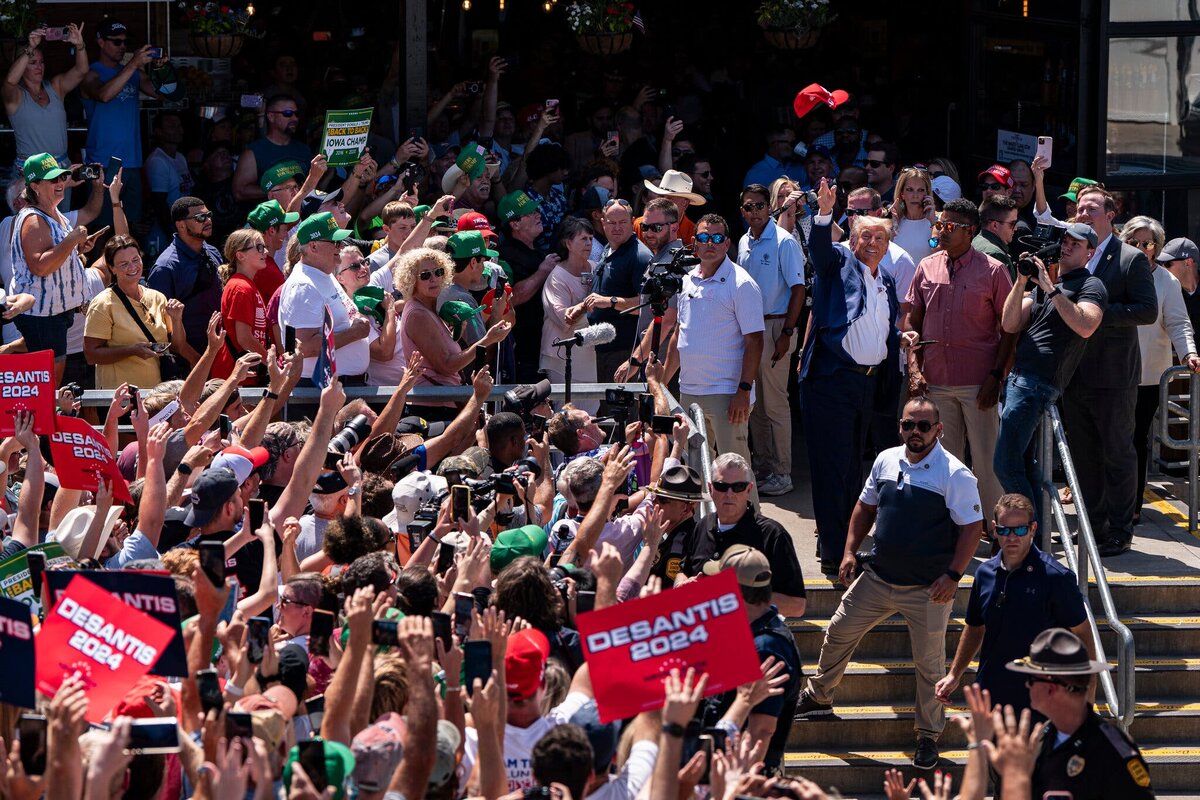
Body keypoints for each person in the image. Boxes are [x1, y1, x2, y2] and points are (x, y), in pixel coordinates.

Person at [795, 397, 983, 772]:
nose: (915, 432)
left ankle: (928, 736)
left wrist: (953, 576)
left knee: (930, 667)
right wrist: (850, 551)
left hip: (929, 589)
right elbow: (865, 507)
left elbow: (972, 528)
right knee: (837, 631)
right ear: (900, 426)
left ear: (938, 430)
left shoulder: (955, 473)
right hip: (878, 577)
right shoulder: (885, 460)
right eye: (908, 425)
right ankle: (819, 698)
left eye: (924, 426)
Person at [800, 179, 901, 575]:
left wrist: (900, 336)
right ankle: (832, 552)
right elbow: (820, 252)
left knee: (855, 470)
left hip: (868, 383)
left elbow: (880, 330)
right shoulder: (839, 264)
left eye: (880, 237)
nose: (873, 243)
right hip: (832, 380)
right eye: (866, 236)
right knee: (833, 469)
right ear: (854, 240)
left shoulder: (886, 281)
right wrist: (824, 215)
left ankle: (846, 546)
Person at [1060, 187, 1158, 557]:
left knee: (1117, 454)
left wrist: (1097, 315)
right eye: (1079, 208)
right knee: (1084, 456)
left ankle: (1119, 530)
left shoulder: (1130, 259)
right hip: (1074, 374)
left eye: (1091, 208)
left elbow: (1146, 311)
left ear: (1110, 215)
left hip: (1115, 377)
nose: (1082, 214)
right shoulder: (1070, 254)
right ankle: (1091, 526)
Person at [904, 198, 1014, 520]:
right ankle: (955, 526)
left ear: (972, 232)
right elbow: (913, 320)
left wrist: (997, 376)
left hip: (979, 383)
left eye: (951, 227)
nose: (942, 231)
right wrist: (913, 366)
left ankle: (996, 529)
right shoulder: (927, 266)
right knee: (946, 461)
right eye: (940, 225)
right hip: (936, 381)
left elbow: (1010, 329)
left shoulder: (993, 270)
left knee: (986, 460)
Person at [936, 492, 1091, 713]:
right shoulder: (984, 574)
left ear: (1033, 529)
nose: (1012, 537)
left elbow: (1083, 635)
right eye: (1004, 530)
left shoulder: (1056, 578)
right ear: (994, 529)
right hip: (992, 698)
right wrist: (954, 674)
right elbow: (974, 627)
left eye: (1019, 529)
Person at [995, 224, 1107, 508]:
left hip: (1035, 384)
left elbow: (1085, 326)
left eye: (1076, 244)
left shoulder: (1090, 285)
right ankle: (1038, 534)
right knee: (1024, 463)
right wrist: (1022, 281)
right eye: (1066, 241)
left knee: (1005, 465)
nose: (1067, 246)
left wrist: (1049, 288)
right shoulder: (1051, 284)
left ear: (1090, 253)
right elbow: (1009, 323)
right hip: (1019, 381)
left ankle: (1026, 532)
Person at [662, 215, 764, 493]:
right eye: (705, 238)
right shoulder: (687, 281)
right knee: (695, 473)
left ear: (727, 243)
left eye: (718, 238)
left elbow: (755, 341)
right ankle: (704, 530)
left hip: (727, 394)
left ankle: (749, 531)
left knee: (735, 471)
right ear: (694, 243)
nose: (711, 244)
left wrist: (743, 390)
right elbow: (679, 336)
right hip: (689, 392)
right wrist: (661, 384)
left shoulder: (742, 283)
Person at [1008, 627, 1155, 799]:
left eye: (1031, 679)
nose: (1027, 685)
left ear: (1051, 688)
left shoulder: (1111, 749)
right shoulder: (1042, 736)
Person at [701, 544, 803, 773]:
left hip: (737, 775)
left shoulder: (767, 649)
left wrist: (736, 786)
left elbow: (761, 732)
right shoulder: (752, 629)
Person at [1126, 221, 1200, 525]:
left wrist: (1189, 352)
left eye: (1149, 243)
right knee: (1106, 440)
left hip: (1146, 375)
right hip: (1108, 373)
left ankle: (1131, 507)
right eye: (1135, 241)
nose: (1143, 248)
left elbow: (1179, 323)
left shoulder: (1166, 281)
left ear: (1157, 246)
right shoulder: (1112, 272)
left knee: (1135, 439)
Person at [736, 184, 805, 497]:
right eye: (749, 207)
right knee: (755, 404)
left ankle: (782, 471)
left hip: (775, 326)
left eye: (760, 205)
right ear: (743, 211)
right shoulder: (742, 241)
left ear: (770, 207)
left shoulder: (784, 241)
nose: (755, 212)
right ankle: (764, 467)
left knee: (775, 403)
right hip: (749, 329)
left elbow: (798, 290)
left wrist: (788, 333)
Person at [678, 453, 806, 616]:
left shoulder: (772, 535)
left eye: (738, 487)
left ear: (749, 489)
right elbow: (683, 571)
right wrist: (681, 586)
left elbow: (797, 606)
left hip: (750, 637)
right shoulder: (702, 526)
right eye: (722, 486)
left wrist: (734, 599)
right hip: (703, 634)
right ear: (710, 489)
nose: (729, 494)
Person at [396, 247, 510, 420]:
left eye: (438, 272)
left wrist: (457, 332)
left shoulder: (429, 308)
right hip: (433, 407)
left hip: (442, 402)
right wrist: (487, 339)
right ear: (411, 280)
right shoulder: (418, 314)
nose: (434, 279)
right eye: (425, 275)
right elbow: (446, 366)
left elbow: (443, 356)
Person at [10, 153, 96, 381]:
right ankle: (44, 415)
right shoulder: (32, 218)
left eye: (61, 178)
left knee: (48, 364)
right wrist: (70, 241)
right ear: (36, 186)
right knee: (50, 376)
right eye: (52, 180)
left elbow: (56, 257)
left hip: (55, 311)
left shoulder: (53, 212)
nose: (60, 184)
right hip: (43, 314)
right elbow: (39, 267)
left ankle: (8, 351)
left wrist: (78, 248)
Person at [80, 19, 165, 228]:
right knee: (102, 227)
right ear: (100, 42)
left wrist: (161, 70)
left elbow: (164, 94)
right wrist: (132, 64)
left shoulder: (134, 74)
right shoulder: (91, 74)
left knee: (131, 227)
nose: (123, 47)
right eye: (116, 42)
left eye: (125, 42)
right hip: (101, 164)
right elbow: (104, 95)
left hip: (132, 163)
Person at [278, 212, 372, 385]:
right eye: (335, 242)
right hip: (317, 390)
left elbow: (346, 313)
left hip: (337, 386)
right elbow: (304, 346)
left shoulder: (324, 275)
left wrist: (357, 319)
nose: (341, 246)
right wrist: (355, 333)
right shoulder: (304, 286)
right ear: (313, 247)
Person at [84, 235, 186, 390]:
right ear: (112, 268)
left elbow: (177, 347)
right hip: (121, 398)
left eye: (135, 260)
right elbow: (91, 355)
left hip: (159, 395)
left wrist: (177, 320)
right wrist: (132, 350)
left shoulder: (158, 298)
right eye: (124, 264)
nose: (132, 267)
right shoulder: (103, 303)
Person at [3, 23, 88, 189]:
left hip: (61, 167)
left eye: (41, 62)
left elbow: (82, 70)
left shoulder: (55, 87)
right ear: (22, 65)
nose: (39, 66)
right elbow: (10, 81)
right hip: (32, 171)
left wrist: (80, 45)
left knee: (60, 215)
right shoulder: (15, 96)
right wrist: (30, 47)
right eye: (32, 62)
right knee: (34, 215)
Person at [147, 197, 224, 357]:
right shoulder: (165, 267)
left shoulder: (213, 252)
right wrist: (194, 360)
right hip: (188, 361)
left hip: (219, 351)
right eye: (200, 218)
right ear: (181, 225)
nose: (208, 220)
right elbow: (161, 328)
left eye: (208, 215)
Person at [588, 198, 653, 383]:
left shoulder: (639, 256)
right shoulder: (609, 248)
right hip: (603, 348)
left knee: (621, 410)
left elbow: (645, 305)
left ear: (632, 222)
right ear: (603, 223)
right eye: (612, 223)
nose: (617, 228)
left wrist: (610, 301)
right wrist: (581, 307)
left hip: (624, 350)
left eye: (623, 222)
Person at [497, 190, 559, 382]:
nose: (538, 214)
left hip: (543, 345)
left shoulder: (539, 253)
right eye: (530, 213)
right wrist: (542, 272)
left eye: (536, 210)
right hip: (521, 349)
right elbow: (511, 298)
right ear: (514, 224)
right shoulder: (504, 256)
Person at [541, 218, 598, 408]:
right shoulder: (556, 278)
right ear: (568, 243)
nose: (589, 243)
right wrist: (587, 303)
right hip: (561, 356)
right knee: (566, 412)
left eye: (591, 238)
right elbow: (564, 318)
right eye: (583, 239)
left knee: (591, 410)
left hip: (590, 354)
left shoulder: (596, 268)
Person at [213, 229, 271, 382]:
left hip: (242, 375)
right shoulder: (241, 288)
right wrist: (271, 362)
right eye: (259, 247)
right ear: (240, 255)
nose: (265, 251)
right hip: (234, 375)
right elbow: (244, 338)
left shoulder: (246, 285)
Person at [233, 94, 312, 202]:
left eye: (296, 114)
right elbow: (239, 192)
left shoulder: (304, 150)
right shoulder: (253, 153)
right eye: (287, 113)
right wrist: (280, 191)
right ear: (271, 117)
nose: (294, 118)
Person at [246, 199, 299, 312]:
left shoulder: (253, 263)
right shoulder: (267, 270)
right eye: (285, 229)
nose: (286, 235)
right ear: (272, 231)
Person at [890, 167, 936, 263]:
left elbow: (937, 252)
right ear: (902, 193)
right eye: (910, 190)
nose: (915, 195)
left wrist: (933, 223)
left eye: (920, 190)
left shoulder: (937, 222)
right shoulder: (894, 221)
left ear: (927, 193)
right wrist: (892, 225)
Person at [972, 194, 1020, 281]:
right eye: (1012, 224)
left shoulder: (975, 242)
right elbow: (1008, 294)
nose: (1016, 228)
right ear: (995, 225)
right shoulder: (996, 254)